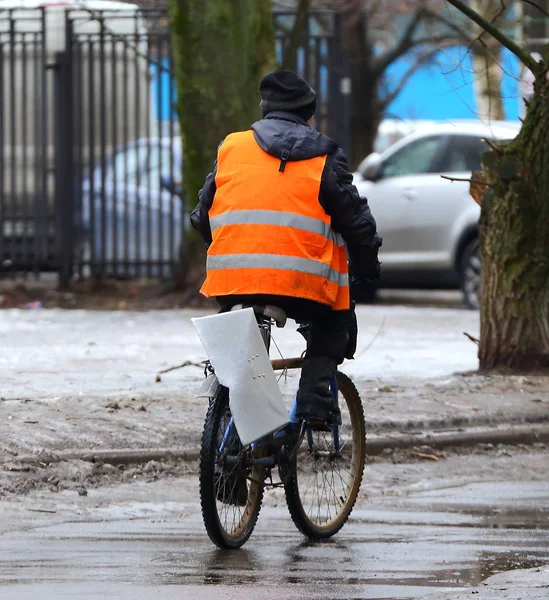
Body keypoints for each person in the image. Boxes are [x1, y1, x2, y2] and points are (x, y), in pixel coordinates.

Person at [191, 70, 382, 424]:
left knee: (239, 339)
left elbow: (202, 216)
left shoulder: (231, 147)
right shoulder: (324, 156)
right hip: (303, 287)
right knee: (333, 316)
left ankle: (234, 428)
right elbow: (357, 225)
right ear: (309, 115)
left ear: (265, 110)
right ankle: (314, 399)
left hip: (233, 280)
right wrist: (369, 269)